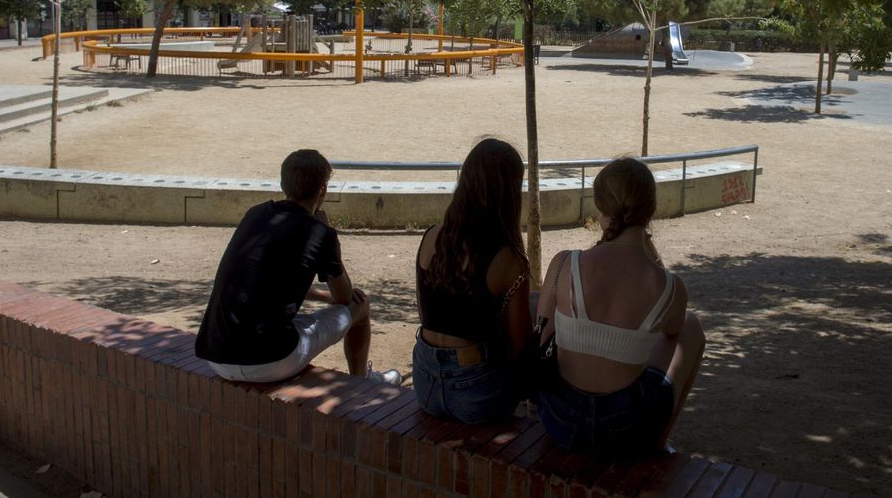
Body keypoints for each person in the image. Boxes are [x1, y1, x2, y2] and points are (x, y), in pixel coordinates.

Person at [535, 158, 705, 455]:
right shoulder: (668, 285)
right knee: (691, 327)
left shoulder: (565, 263)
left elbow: (541, 335)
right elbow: (673, 332)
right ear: (650, 210)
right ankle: (660, 442)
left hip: (559, 418)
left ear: (600, 211)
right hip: (627, 430)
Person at [195, 149, 399, 385]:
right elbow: (344, 297)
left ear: (283, 183)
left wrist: (323, 296)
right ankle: (362, 382)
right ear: (323, 189)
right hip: (270, 361)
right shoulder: (319, 232)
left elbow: (264, 280)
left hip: (217, 354)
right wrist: (332, 241)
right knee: (360, 307)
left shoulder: (255, 214)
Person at [412, 138, 532, 423]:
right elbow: (520, 347)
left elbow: (427, 313)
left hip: (424, 382)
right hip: (477, 390)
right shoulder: (509, 260)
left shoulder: (432, 236)